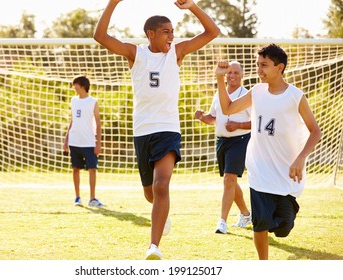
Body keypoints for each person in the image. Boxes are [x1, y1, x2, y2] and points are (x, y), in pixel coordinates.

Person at [94, 0, 220, 259]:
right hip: (142, 131)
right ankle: (163, 216)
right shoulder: (135, 53)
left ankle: (153, 246)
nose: (172, 36)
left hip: (168, 129)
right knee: (150, 192)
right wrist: (113, 3)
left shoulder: (177, 53)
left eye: (173, 31)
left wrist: (192, 7)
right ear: (150, 34)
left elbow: (212, 32)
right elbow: (100, 36)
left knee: (161, 186)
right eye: (166, 31)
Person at [215, 44, 321, 260]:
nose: (259, 70)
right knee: (260, 224)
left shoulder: (295, 96)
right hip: (259, 171)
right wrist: (219, 79)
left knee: (283, 228)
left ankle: (287, 209)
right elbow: (227, 109)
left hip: (285, 172)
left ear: (279, 67)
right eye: (257, 65)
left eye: (264, 65)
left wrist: (300, 159)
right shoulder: (257, 91)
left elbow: (315, 131)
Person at [195, 61, 252, 234]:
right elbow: (213, 118)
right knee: (230, 181)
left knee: (229, 179)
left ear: (242, 75)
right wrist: (202, 117)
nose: (232, 75)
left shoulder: (247, 96)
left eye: (236, 72)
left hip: (240, 140)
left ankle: (222, 222)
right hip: (222, 141)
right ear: (225, 75)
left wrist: (238, 125)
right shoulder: (218, 94)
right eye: (229, 73)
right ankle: (246, 214)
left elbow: (256, 122)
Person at [63, 76, 104, 208]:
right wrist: (66, 139)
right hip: (75, 141)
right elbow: (72, 120)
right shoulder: (73, 101)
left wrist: (98, 143)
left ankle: (92, 198)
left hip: (89, 142)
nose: (74, 87)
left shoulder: (93, 102)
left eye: (76, 85)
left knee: (92, 169)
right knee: (75, 169)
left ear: (82, 86)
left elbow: (98, 123)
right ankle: (77, 197)